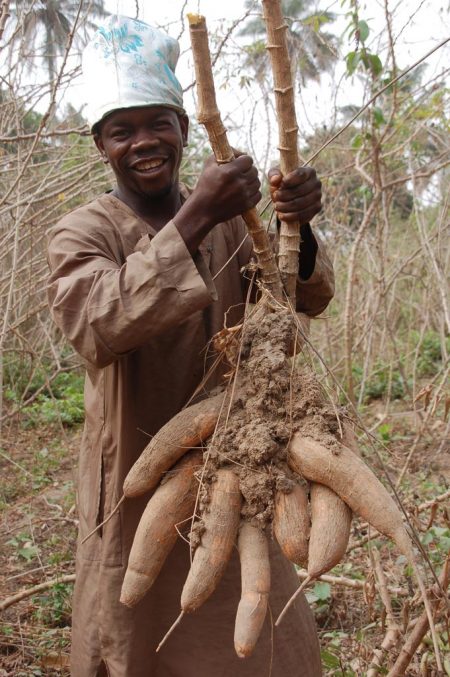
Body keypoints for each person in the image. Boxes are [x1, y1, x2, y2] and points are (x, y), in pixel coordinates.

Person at [47, 15, 334, 677]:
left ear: (183, 127)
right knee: (133, 628)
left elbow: (300, 298)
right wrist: (198, 211)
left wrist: (297, 226)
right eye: (123, 130)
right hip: (134, 474)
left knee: (258, 634)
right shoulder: (82, 231)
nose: (144, 142)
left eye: (159, 123)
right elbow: (97, 324)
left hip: (236, 464)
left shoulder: (236, 220)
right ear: (100, 144)